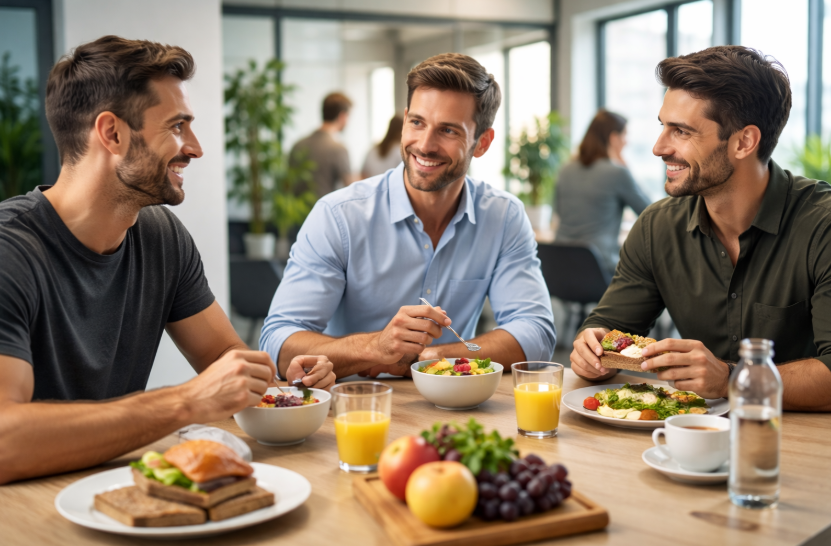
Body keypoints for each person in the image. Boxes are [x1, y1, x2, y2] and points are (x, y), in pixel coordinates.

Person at [0, 36, 336, 485]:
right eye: (177, 126)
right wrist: (187, 400)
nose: (195, 148)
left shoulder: (160, 235)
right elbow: (5, 442)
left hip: (118, 489)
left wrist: (276, 385)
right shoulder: (10, 252)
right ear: (112, 133)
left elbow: (222, 355)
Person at [261, 53, 556, 380]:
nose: (425, 145)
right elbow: (279, 341)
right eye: (417, 122)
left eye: (448, 130)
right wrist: (376, 347)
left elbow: (536, 332)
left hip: (457, 411)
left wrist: (432, 357)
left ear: (482, 142)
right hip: (354, 410)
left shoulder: (503, 216)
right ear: (404, 122)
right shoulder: (338, 216)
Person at [570, 45, 831, 411]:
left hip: (804, 446)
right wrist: (592, 348)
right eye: (663, 126)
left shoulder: (822, 225)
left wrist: (731, 379)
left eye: (681, 131)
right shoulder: (657, 227)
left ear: (744, 142)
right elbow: (609, 327)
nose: (659, 147)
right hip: (689, 438)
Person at [555, 110, 651, 275]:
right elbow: (651, 212)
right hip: (599, 268)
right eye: (624, 136)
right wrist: (626, 167)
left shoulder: (565, 170)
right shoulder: (617, 173)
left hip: (560, 265)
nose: (626, 142)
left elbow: (558, 210)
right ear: (614, 139)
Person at [289, 92, 356, 198]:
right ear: (342, 116)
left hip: (297, 212)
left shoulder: (298, 145)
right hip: (323, 212)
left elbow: (288, 184)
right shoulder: (338, 149)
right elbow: (351, 187)